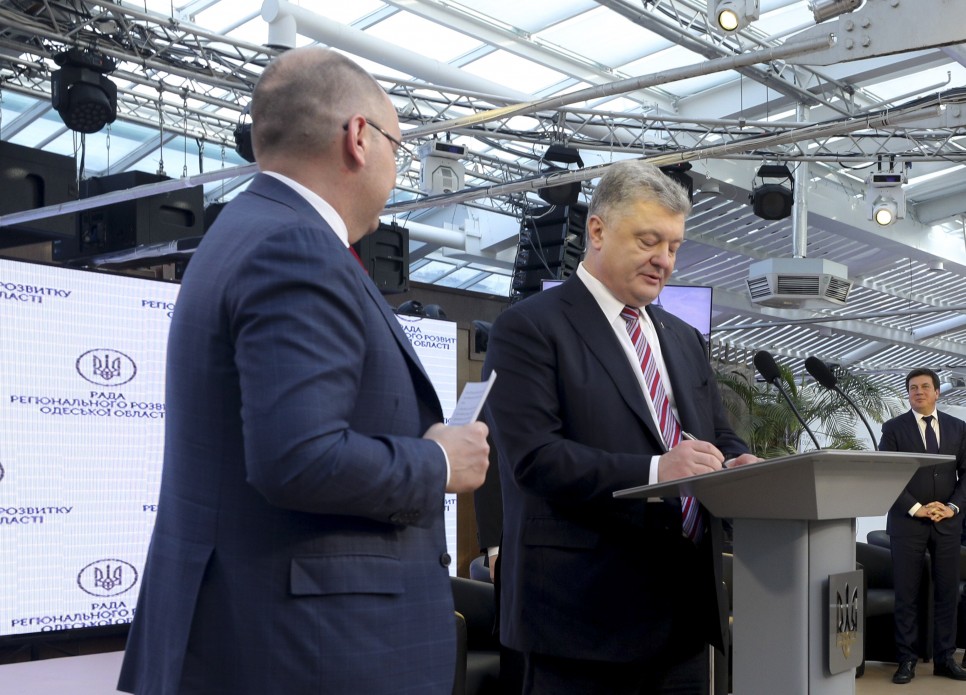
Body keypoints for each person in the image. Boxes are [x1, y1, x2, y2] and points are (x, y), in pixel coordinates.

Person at [117, 47, 490, 695]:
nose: (398, 172)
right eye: (398, 147)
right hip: (311, 651)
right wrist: (437, 462)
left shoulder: (248, 230)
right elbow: (298, 457)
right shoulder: (297, 247)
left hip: (268, 637)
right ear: (358, 138)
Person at [481, 159, 759, 694]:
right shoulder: (529, 328)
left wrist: (739, 464)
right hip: (581, 621)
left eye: (674, 246)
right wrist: (656, 471)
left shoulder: (684, 338)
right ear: (598, 230)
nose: (664, 260)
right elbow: (534, 459)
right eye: (649, 241)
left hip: (682, 617)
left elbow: (715, 435)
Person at [879, 368, 966, 684]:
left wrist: (952, 507)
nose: (919, 392)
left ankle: (945, 659)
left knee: (947, 593)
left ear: (937, 392)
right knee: (907, 594)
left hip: (947, 522)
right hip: (907, 522)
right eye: (913, 387)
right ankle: (906, 660)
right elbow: (886, 474)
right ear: (908, 394)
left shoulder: (958, 427)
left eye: (925, 387)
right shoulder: (893, 428)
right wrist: (916, 508)